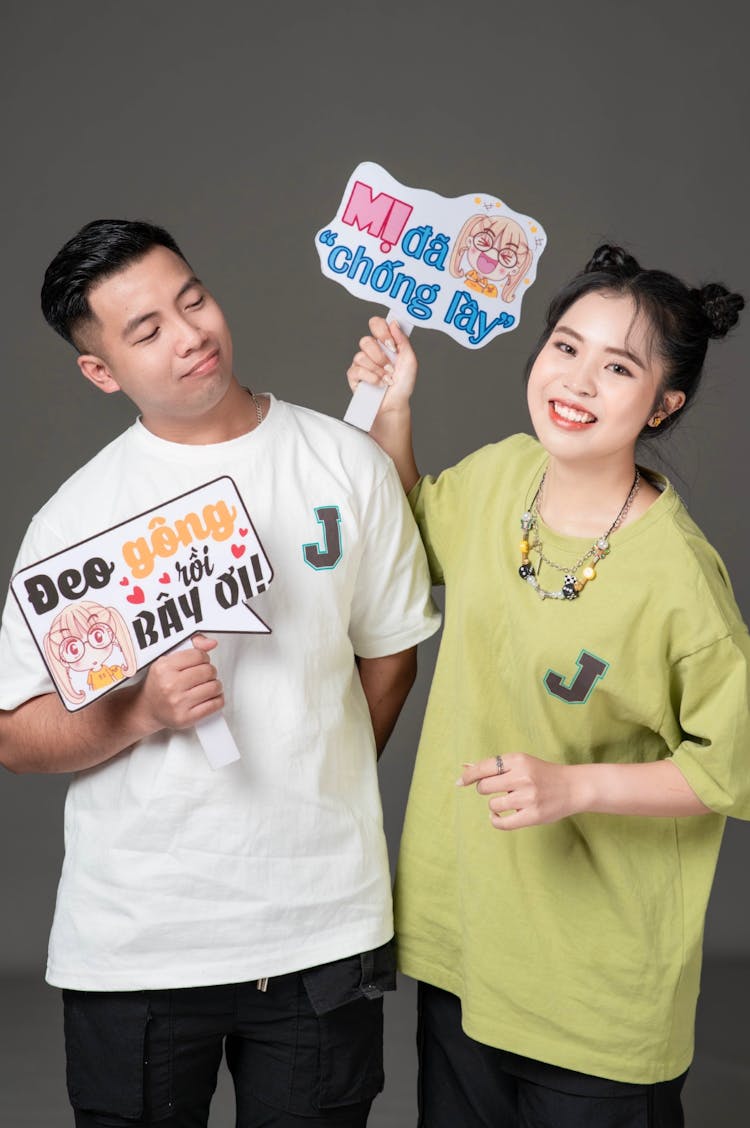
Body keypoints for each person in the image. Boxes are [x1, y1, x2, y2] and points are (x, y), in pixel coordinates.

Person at [0, 218, 440, 1128]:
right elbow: (14, 731)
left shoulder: (347, 466)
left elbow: (391, 653)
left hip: (324, 928)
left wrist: (323, 764)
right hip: (138, 945)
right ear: (101, 371)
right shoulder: (75, 520)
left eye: (191, 299)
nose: (190, 334)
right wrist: (137, 714)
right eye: (147, 329)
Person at [346, 243, 749, 1128]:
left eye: (618, 367)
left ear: (664, 403)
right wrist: (395, 408)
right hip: (466, 947)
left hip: (595, 990)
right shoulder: (502, 474)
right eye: (565, 347)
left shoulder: (679, 575)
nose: (577, 380)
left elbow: (738, 767)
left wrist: (578, 786)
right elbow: (407, 541)